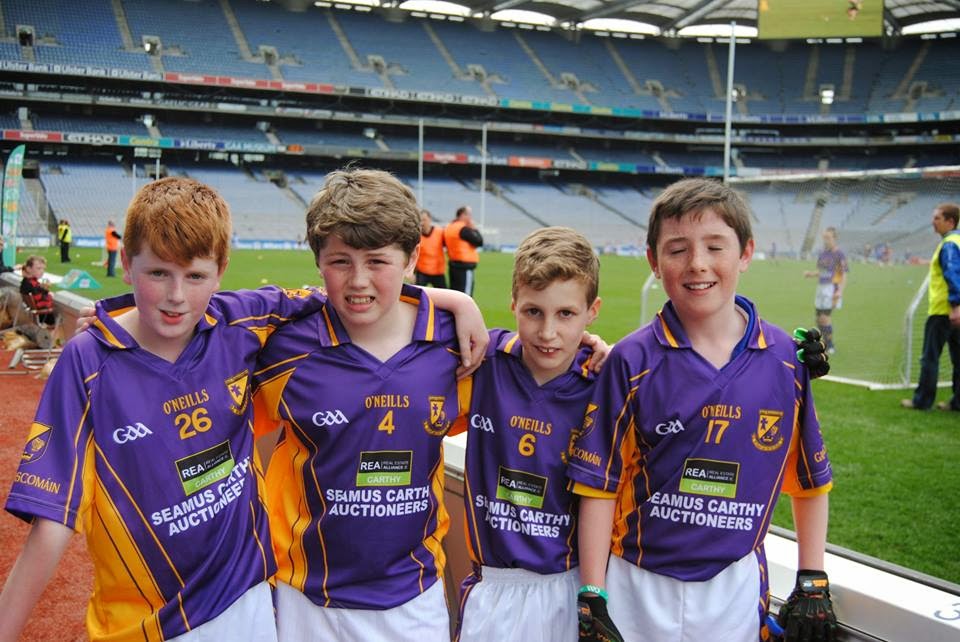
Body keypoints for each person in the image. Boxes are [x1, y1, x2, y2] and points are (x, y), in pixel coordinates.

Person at [0, 176, 488, 642]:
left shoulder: (245, 322)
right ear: (127, 265)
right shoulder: (102, 359)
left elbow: (355, 293)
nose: (177, 295)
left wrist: (454, 300)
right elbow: (52, 521)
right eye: (158, 274)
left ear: (220, 272)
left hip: (264, 601)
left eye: (196, 276)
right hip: (181, 617)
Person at [569, 178, 836, 642]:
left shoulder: (786, 360)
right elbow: (599, 484)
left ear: (745, 253)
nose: (697, 263)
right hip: (635, 581)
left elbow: (809, 478)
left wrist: (812, 576)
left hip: (734, 586)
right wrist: (593, 592)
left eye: (715, 247)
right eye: (677, 249)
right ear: (653, 262)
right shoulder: (631, 360)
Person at [251, 168, 470, 641]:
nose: (358, 281)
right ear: (318, 262)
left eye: (377, 261)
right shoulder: (285, 348)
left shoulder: (457, 346)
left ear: (413, 258)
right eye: (340, 261)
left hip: (413, 597)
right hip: (307, 596)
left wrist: (594, 350)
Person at [453, 226, 603, 642]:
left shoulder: (604, 383)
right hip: (492, 587)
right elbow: (387, 304)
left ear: (592, 312)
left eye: (566, 314)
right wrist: (459, 301)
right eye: (533, 312)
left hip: (570, 588)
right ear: (513, 304)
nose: (548, 332)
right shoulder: (483, 361)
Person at [902, 202, 960, 412]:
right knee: (958, 358)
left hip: (944, 311)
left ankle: (922, 401)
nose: (932, 222)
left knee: (930, 357)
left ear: (950, 221)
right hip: (952, 310)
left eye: (937, 218)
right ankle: (958, 402)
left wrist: (955, 306)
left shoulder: (949, 244)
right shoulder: (956, 241)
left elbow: (952, 273)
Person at [804, 226, 847, 355]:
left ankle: (830, 346)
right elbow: (821, 271)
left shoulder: (839, 254)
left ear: (835, 238)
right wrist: (811, 274)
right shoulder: (823, 254)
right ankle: (823, 344)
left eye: (828, 238)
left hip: (831, 288)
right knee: (818, 319)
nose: (826, 240)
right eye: (824, 238)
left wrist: (840, 291)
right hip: (821, 287)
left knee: (824, 318)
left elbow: (843, 274)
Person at [444, 205, 483, 296]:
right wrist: (474, 228)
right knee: (466, 295)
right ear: (462, 215)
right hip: (465, 266)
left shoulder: (449, 227)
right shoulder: (463, 229)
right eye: (469, 214)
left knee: (454, 294)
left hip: (453, 264)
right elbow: (479, 241)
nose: (470, 217)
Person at [18, 254, 56, 325]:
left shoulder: (26, 282)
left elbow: (37, 290)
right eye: (39, 268)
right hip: (44, 317)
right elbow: (40, 297)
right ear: (29, 269)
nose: (42, 271)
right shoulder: (31, 284)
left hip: (35, 315)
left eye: (43, 269)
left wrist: (43, 288)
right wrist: (46, 290)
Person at [415, 208, 447, 288]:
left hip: (438, 272)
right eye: (420, 221)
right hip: (422, 272)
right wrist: (412, 273)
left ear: (430, 219)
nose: (422, 223)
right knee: (416, 294)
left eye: (424, 220)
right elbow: (413, 255)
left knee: (443, 294)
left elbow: (449, 245)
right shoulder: (416, 236)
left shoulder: (440, 232)